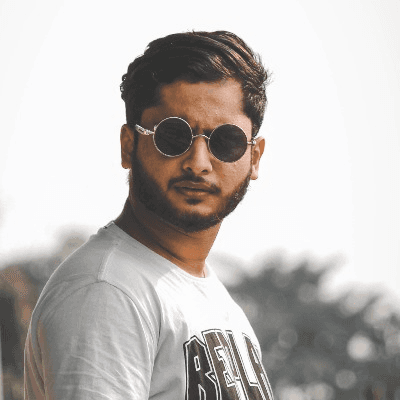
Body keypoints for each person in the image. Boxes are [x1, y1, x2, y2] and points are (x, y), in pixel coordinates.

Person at [24, 30, 273, 400]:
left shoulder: (218, 305)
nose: (198, 163)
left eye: (226, 141)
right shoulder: (108, 290)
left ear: (254, 157)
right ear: (129, 146)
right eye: (173, 136)